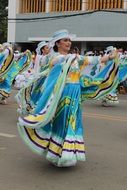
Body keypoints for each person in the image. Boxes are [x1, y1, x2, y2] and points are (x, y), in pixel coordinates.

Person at [17, 30, 119, 167]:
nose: (68, 42)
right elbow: (52, 74)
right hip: (63, 95)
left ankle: (66, 153)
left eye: (69, 40)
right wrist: (69, 58)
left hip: (75, 95)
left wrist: (111, 57)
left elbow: (95, 60)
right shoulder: (55, 59)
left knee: (73, 123)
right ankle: (59, 154)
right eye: (65, 40)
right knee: (63, 123)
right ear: (58, 43)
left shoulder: (74, 58)